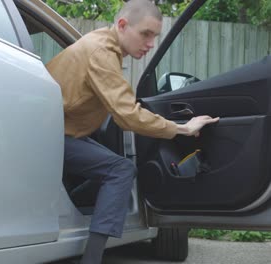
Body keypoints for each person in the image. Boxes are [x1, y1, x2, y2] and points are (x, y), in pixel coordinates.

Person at [45, 0, 219, 263]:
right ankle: (92, 258)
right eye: (145, 34)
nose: (150, 43)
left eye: (154, 37)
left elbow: (118, 103)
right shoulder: (101, 52)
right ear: (123, 25)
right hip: (50, 138)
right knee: (121, 170)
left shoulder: (102, 46)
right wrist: (181, 128)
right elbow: (127, 115)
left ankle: (71, 209)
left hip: (59, 133)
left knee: (113, 167)